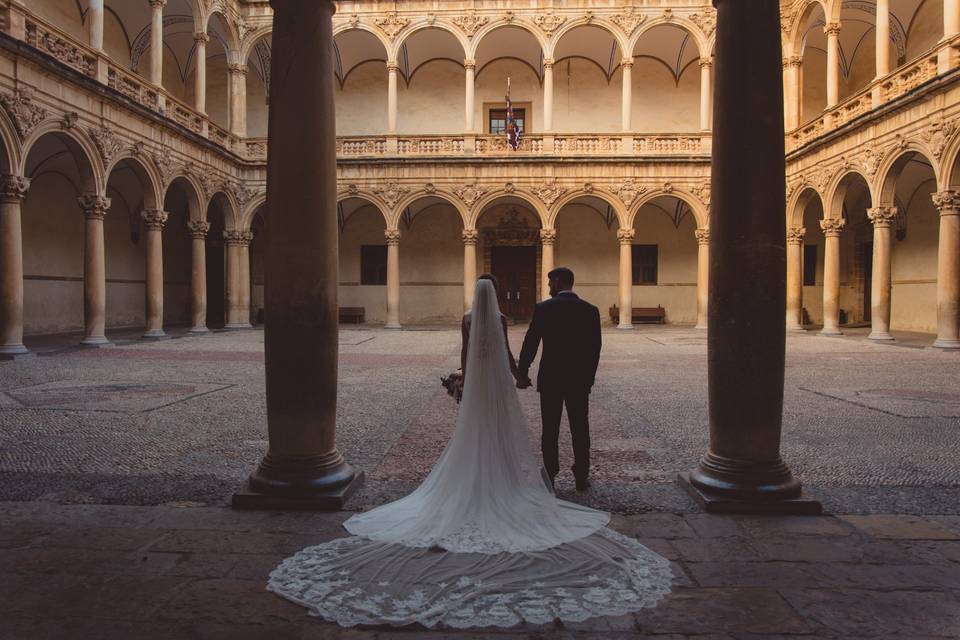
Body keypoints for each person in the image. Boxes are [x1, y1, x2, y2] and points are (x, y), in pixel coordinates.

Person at [267, 279, 672, 628]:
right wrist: (519, 373)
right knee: (554, 430)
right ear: (494, 295)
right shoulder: (511, 318)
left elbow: (474, 352)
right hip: (533, 381)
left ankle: (546, 470)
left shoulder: (472, 318)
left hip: (487, 383)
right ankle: (571, 476)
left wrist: (467, 378)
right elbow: (538, 349)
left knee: (525, 431)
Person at [517, 267, 602, 492]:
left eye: (549, 283)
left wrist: (522, 371)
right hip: (578, 380)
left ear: (557, 281)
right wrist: (589, 378)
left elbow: (531, 341)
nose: (548, 287)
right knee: (580, 428)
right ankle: (581, 475)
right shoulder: (590, 310)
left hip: (551, 378)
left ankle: (550, 475)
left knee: (550, 428)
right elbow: (595, 349)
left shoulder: (544, 308)